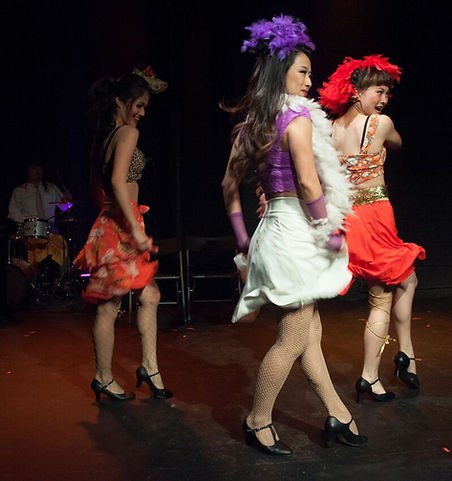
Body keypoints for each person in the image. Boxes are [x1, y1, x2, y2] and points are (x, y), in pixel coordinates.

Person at [221, 15, 367, 455]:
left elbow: (228, 186)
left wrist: (243, 239)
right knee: (293, 338)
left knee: (309, 333)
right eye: (302, 71)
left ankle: (338, 415)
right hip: (297, 232)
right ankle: (257, 419)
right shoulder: (297, 119)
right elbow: (307, 183)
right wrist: (327, 228)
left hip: (273, 231)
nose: (309, 80)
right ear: (280, 72)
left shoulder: (252, 124)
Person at [318, 55, 426, 403]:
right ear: (355, 91)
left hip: (349, 218)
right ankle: (370, 375)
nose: (384, 99)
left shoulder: (330, 129)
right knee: (383, 295)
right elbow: (398, 143)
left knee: (406, 279)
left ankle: (405, 356)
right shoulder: (380, 124)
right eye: (378, 91)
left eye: (387, 93)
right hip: (376, 215)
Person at [73, 66, 173, 402]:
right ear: (119, 100)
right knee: (109, 305)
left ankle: (149, 368)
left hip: (116, 222)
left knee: (149, 295)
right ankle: (104, 376)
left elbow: (97, 186)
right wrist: (134, 230)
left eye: (145, 106)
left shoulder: (104, 137)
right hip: (123, 227)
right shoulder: (127, 133)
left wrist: (120, 217)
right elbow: (117, 181)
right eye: (139, 105)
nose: (142, 113)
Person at [8, 160, 72, 235]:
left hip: (49, 229)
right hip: (28, 230)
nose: (37, 171)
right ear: (28, 171)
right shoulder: (20, 191)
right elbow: (12, 212)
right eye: (34, 168)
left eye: (40, 169)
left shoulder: (51, 188)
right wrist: (27, 223)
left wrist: (68, 201)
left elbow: (65, 207)